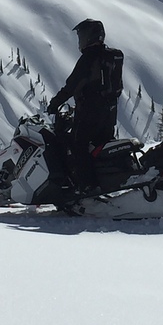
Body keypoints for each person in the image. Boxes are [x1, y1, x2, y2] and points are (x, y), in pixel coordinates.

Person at [46, 19, 124, 194]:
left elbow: (71, 85)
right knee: (100, 146)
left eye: (81, 36)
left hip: (90, 113)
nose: (80, 40)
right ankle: (107, 180)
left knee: (77, 145)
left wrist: (54, 104)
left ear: (89, 36)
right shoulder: (113, 55)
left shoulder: (88, 59)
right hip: (109, 113)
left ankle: (87, 186)